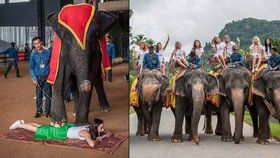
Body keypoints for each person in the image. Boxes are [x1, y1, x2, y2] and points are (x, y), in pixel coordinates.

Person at [9, 118, 111, 148]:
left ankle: (23, 122)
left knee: (43, 127)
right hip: (61, 132)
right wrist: (100, 138)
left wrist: (104, 134)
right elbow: (92, 144)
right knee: (40, 130)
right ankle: (19, 125)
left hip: (66, 128)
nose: (102, 130)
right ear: (96, 127)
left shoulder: (91, 127)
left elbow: (108, 133)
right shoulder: (86, 133)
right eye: (101, 128)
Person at [29, 37, 52, 118]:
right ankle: (39, 111)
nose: (37, 45)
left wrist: (48, 50)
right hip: (38, 78)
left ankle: (48, 112)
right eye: (35, 44)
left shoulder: (48, 52)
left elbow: (52, 61)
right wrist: (34, 79)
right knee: (39, 96)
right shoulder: (33, 55)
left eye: (38, 43)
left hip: (47, 78)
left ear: (41, 42)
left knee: (48, 95)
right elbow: (31, 68)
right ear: (33, 45)